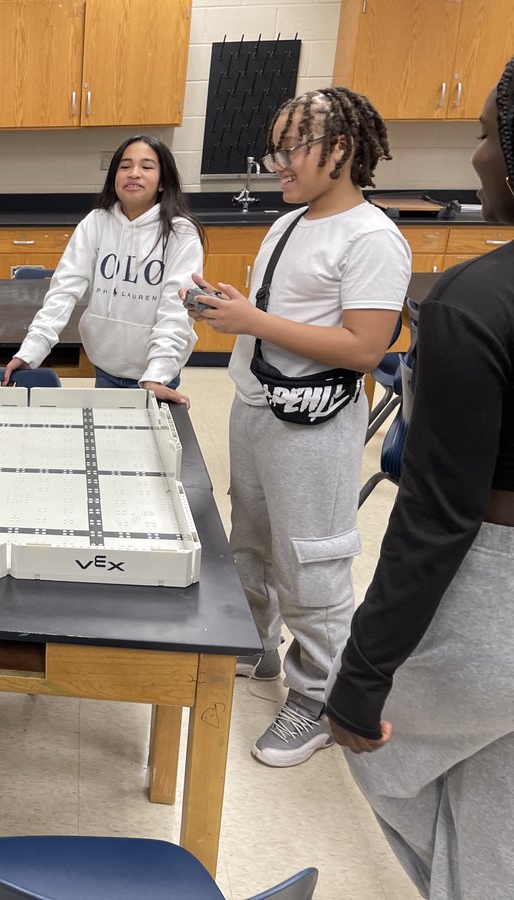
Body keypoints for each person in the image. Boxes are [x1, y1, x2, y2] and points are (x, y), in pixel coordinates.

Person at [326, 57, 514, 898]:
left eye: (482, 134)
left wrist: (360, 678)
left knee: (385, 752)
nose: (475, 156)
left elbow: (438, 517)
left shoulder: (473, 302)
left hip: (494, 602)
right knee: (495, 814)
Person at [190, 88, 411, 767]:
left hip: (314, 424)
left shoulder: (373, 237)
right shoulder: (292, 222)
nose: (276, 164)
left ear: (339, 151)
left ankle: (316, 698)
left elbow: (366, 348)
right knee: (251, 539)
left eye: (290, 150)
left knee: (311, 558)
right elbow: (283, 315)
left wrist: (253, 323)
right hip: (258, 406)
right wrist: (236, 308)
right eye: (275, 149)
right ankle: (253, 646)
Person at [3, 135, 204, 406]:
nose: (134, 173)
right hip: (105, 368)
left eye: (147, 167)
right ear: (114, 176)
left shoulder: (181, 233)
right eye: (125, 166)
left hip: (154, 377)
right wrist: (31, 351)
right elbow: (63, 291)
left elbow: (176, 311)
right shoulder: (95, 223)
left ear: (163, 181)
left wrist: (157, 373)